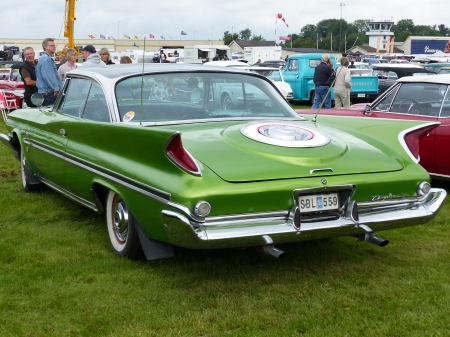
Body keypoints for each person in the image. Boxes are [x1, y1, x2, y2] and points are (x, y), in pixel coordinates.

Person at [36, 38, 62, 106]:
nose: (54, 47)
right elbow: (48, 76)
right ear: (45, 47)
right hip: (48, 93)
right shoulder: (46, 59)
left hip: (46, 93)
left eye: (54, 45)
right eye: (52, 45)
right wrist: (56, 89)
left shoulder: (44, 58)